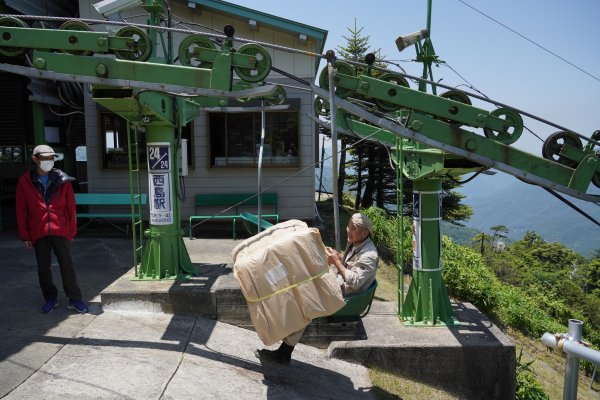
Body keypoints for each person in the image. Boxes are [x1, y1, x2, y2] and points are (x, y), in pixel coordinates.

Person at [255, 213, 378, 364]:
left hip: (345, 296)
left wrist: (336, 262)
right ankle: (269, 283)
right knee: (302, 273)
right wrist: (338, 259)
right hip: (339, 285)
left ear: (365, 233)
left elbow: (355, 281)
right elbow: (351, 267)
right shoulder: (358, 243)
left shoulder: (369, 255)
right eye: (348, 226)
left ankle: (284, 352)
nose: (348, 230)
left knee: (305, 302)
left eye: (353, 229)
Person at [16, 144, 88, 314]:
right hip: (38, 231)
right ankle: (50, 298)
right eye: (45, 158)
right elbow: (21, 210)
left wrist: (71, 231)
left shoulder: (63, 180)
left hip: (60, 229)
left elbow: (71, 208)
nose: (49, 161)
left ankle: (75, 299)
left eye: (51, 158)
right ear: (35, 159)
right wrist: (25, 235)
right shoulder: (25, 181)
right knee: (43, 267)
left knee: (67, 266)